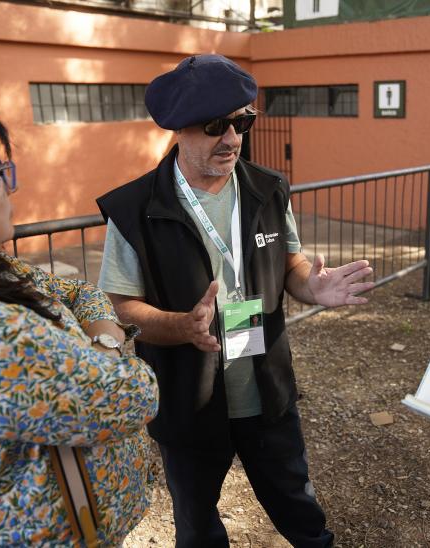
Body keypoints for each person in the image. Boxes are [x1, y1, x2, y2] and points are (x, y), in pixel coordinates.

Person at [96, 54, 374, 547]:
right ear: (179, 129)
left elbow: (292, 265)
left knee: (297, 503)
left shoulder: (268, 190)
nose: (231, 138)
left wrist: (315, 286)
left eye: (242, 122)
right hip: (188, 397)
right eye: (214, 125)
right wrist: (182, 326)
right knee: (197, 524)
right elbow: (119, 305)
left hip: (264, 386)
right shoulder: (134, 208)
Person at [0, 92, 159, 545]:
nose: (11, 189)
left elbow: (77, 289)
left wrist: (100, 340)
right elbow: (135, 393)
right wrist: (108, 345)